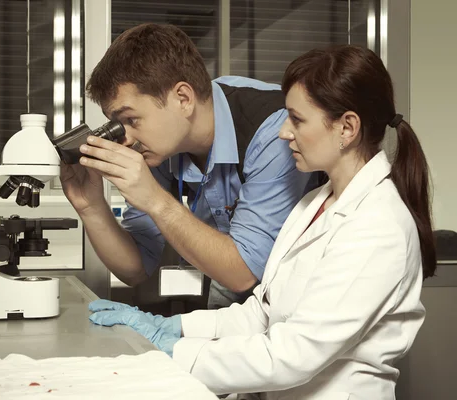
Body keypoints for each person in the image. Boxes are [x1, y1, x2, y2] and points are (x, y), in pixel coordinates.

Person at [87, 44, 437, 400]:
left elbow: (293, 354)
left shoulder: (379, 225)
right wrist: (170, 327)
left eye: (297, 120)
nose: (283, 133)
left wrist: (173, 354)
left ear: (347, 128)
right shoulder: (313, 204)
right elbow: (262, 312)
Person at [60, 23, 315, 309]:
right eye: (118, 124)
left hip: (300, 308)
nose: (126, 138)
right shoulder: (161, 146)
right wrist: (90, 207)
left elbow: (242, 272)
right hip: (234, 312)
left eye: (131, 120)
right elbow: (135, 269)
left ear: (183, 98)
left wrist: (155, 200)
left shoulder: (276, 129)